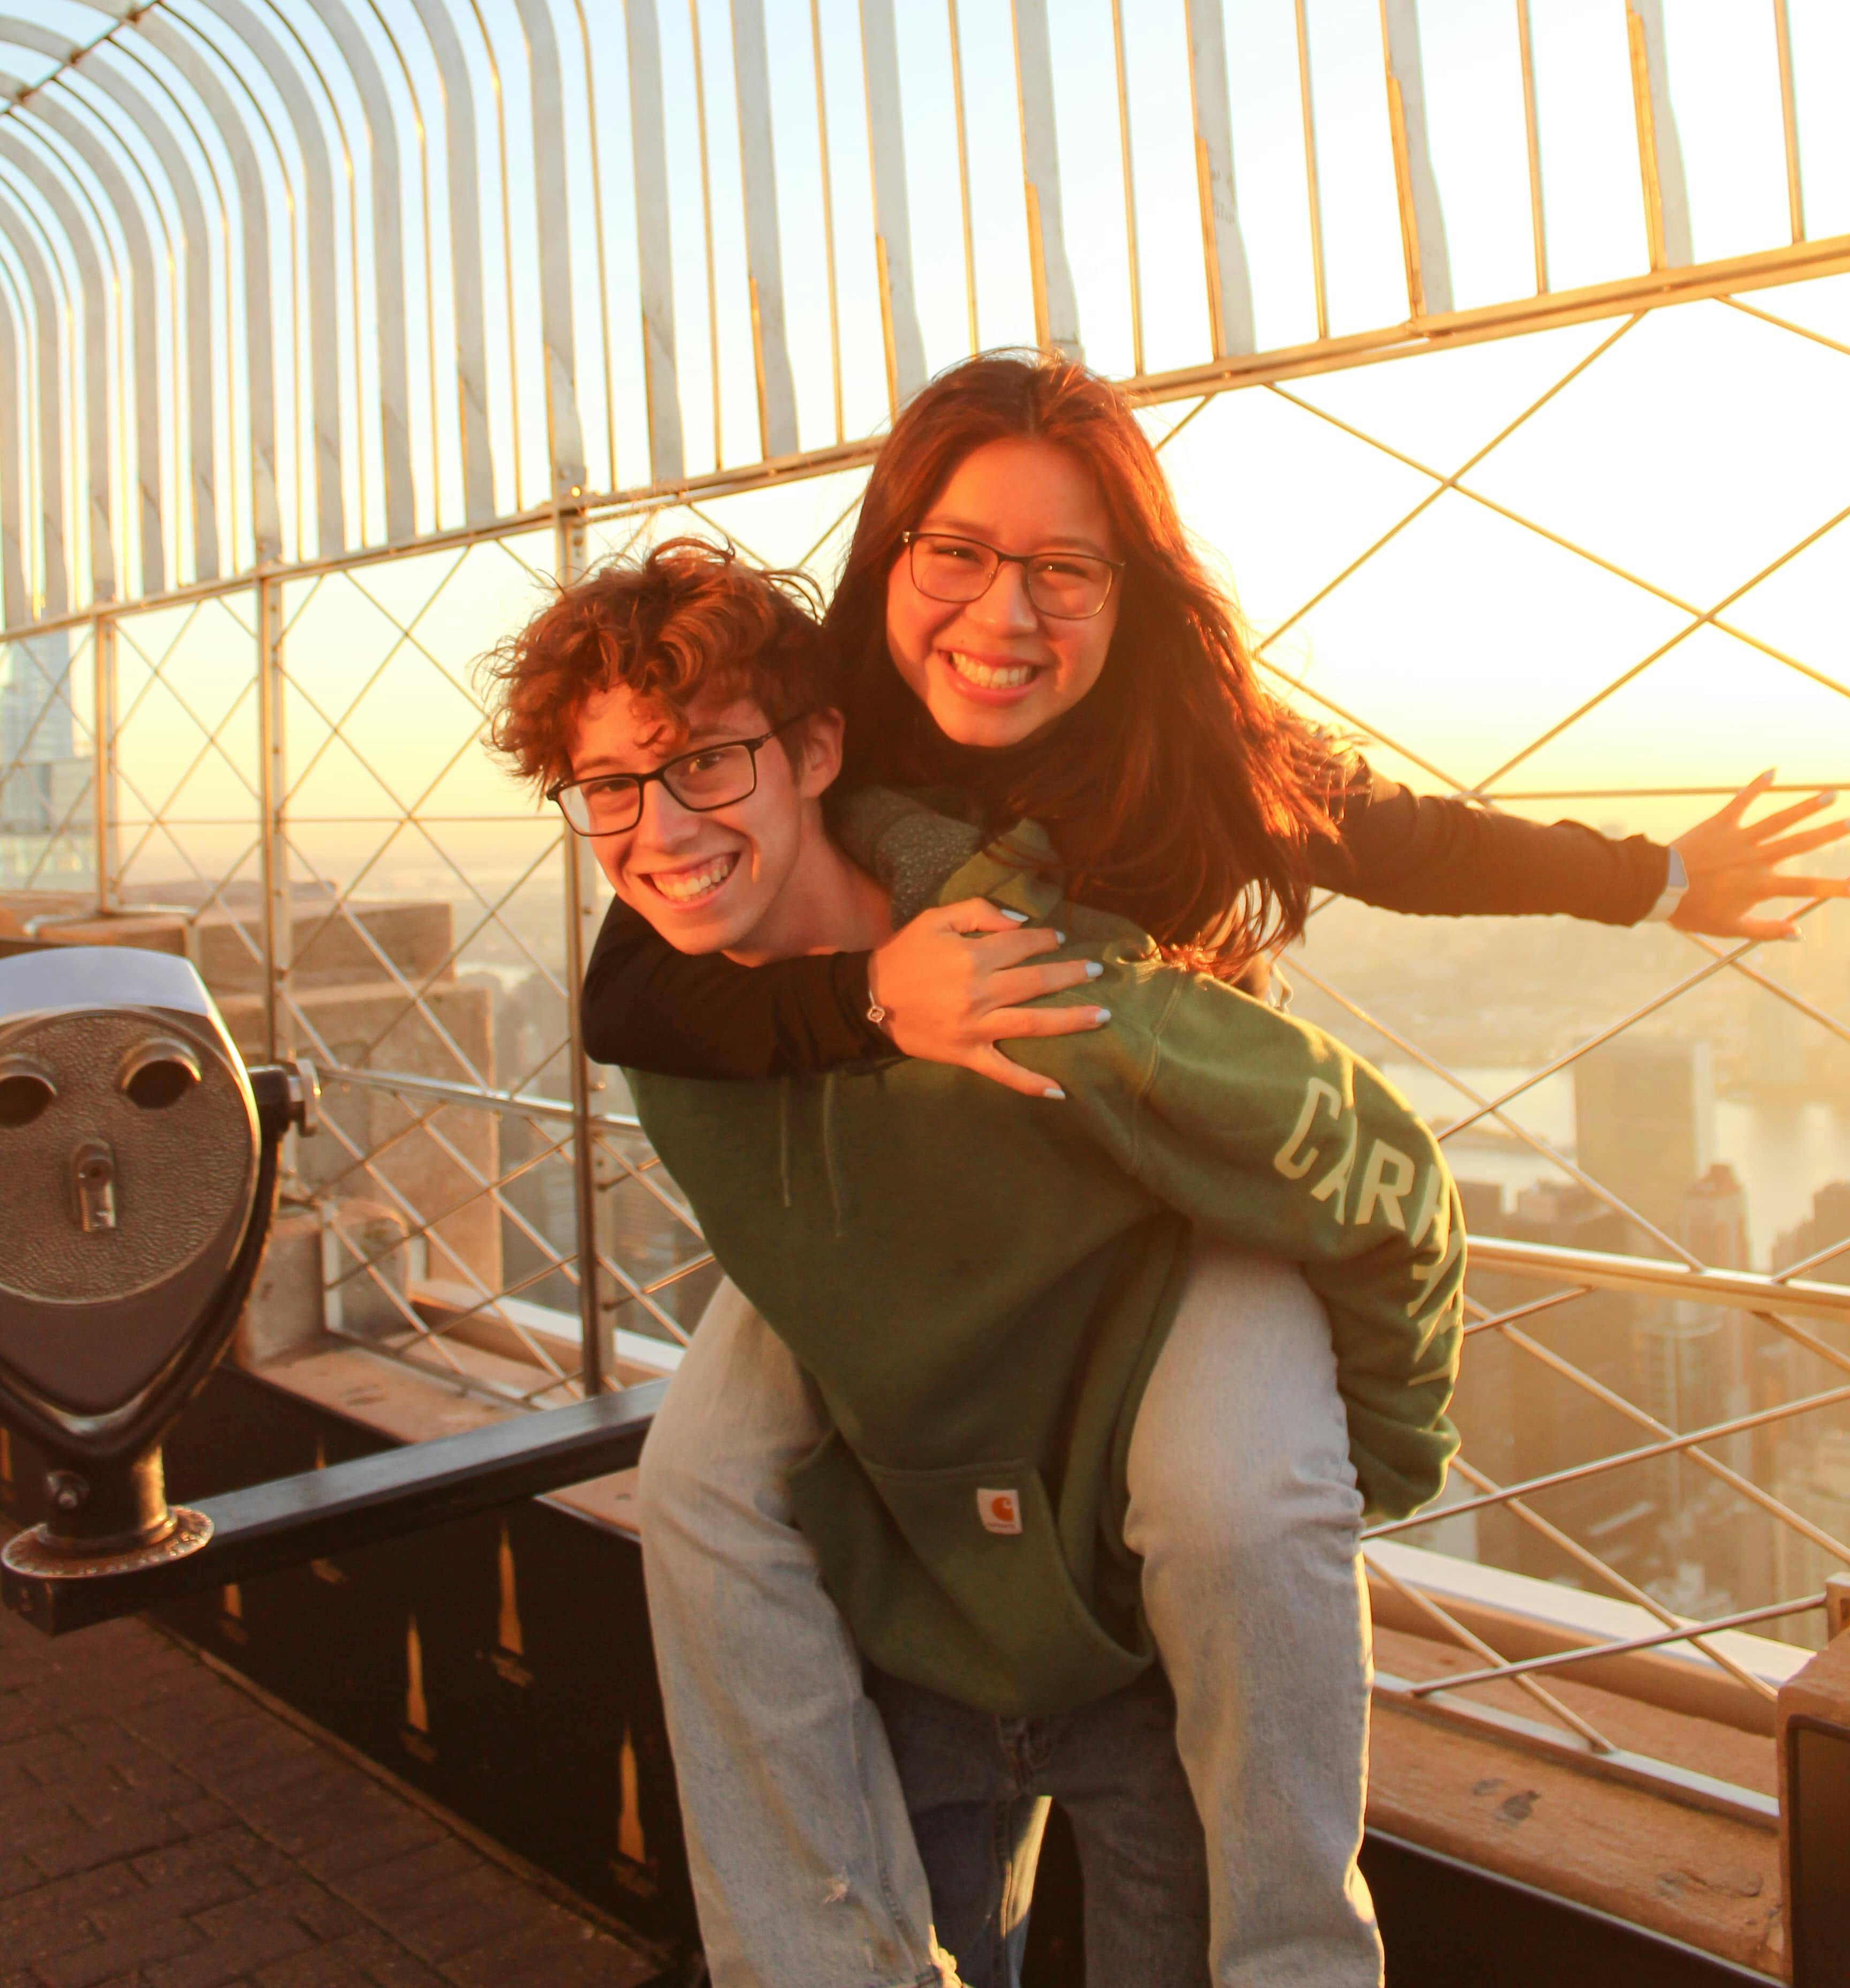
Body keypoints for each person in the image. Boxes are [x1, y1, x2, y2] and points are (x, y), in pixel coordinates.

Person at [521, 352, 1846, 1985]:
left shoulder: (1180, 735)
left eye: (1063, 567)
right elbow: (633, 986)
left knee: (1238, 1500)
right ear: (894, 555)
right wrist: (877, 997)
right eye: (959, 554)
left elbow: (1399, 839)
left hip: (1162, 1183)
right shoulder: (811, 723)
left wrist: (1648, 877)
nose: (1002, 616)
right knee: (704, 1483)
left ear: (1124, 586)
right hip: (923, 1206)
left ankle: (1294, 1961)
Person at [485, 539, 1466, 1988]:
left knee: (1243, 1501)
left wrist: (1381, 1448)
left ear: (819, 749)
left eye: (702, 764)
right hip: (948, 1594)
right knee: (697, 1485)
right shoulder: (668, 1010)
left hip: (1142, 1459)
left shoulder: (1024, 973)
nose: (658, 830)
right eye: (610, 787)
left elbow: (1373, 1166)